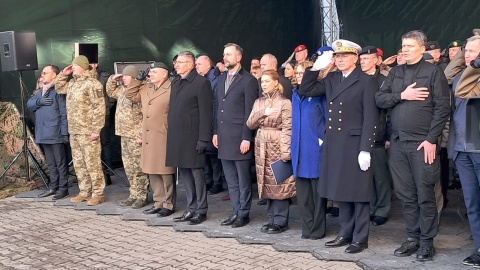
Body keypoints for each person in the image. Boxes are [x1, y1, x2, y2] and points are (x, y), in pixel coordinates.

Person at [298, 39, 379, 254]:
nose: (339, 59)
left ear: (355, 58)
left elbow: (371, 117)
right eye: (337, 56)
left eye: (344, 56)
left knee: (359, 192)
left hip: (355, 143)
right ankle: (345, 232)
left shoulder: (366, 80)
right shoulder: (332, 78)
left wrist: (366, 148)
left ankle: (360, 238)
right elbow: (305, 90)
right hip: (335, 143)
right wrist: (315, 68)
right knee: (341, 190)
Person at [375, 30, 450, 261]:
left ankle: (427, 242)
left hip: (422, 144)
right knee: (406, 195)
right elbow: (380, 99)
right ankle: (412, 238)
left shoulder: (433, 72)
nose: (404, 49)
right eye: (403, 45)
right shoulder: (396, 72)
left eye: (409, 46)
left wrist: (431, 140)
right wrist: (402, 95)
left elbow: (442, 109)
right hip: (398, 144)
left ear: (422, 48)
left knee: (424, 194)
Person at [214, 43, 259, 228]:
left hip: (240, 138)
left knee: (243, 180)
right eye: (224, 54)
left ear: (239, 57)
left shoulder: (248, 80)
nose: (225, 58)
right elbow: (216, 107)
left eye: (229, 55)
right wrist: (215, 132)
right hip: (223, 137)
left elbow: (250, 111)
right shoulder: (221, 78)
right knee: (230, 180)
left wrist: (246, 137)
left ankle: (244, 213)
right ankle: (234, 211)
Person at [167, 51, 213, 225]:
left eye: (180, 62)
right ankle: (191, 208)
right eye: (176, 62)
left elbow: (206, 114)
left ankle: (201, 209)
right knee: (185, 174)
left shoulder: (201, 83)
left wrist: (203, 139)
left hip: (193, 138)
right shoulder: (176, 82)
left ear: (190, 64)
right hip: (178, 137)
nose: (176, 65)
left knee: (197, 175)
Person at [247, 70, 294, 234]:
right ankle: (272, 218)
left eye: (267, 81)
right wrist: (263, 113)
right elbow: (250, 123)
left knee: (279, 182)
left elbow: (288, 128)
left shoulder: (285, 102)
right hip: (262, 144)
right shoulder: (259, 101)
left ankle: (281, 220)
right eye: (262, 82)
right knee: (266, 183)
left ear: (276, 82)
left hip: (277, 141)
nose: (264, 84)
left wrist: (285, 151)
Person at [125, 62, 176, 216]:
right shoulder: (146, 87)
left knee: (165, 171)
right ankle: (158, 202)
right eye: (150, 72)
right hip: (148, 135)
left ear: (164, 74)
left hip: (163, 134)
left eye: (154, 72)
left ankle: (168, 204)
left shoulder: (171, 88)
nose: (150, 74)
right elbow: (130, 94)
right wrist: (138, 80)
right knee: (152, 171)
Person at [55, 55, 106, 206]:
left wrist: (96, 129)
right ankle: (84, 191)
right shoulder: (72, 83)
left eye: (75, 66)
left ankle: (98, 193)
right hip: (75, 131)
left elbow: (99, 107)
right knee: (79, 163)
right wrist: (63, 74)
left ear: (84, 67)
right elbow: (58, 88)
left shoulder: (93, 84)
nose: (73, 68)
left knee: (92, 163)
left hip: (88, 131)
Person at [447, 35, 480, 268]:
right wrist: (464, 56)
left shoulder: (470, 78)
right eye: (465, 51)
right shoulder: (459, 74)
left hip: (478, 147)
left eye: (472, 51)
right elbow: (446, 76)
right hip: (461, 148)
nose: (467, 55)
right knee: (472, 203)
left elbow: (464, 89)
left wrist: (475, 66)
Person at [291, 60, 329, 240]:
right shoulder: (294, 94)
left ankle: (317, 229)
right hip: (298, 151)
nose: (299, 76)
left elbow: (329, 120)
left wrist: (323, 142)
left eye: (302, 73)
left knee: (317, 195)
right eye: (297, 73)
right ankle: (307, 229)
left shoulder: (320, 95)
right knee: (303, 197)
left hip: (315, 151)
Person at [106, 65, 149, 209]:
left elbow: (146, 116)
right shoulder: (122, 90)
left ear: (134, 77)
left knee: (139, 168)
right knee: (129, 167)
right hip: (124, 134)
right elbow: (110, 91)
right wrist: (113, 79)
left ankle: (142, 196)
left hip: (136, 135)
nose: (123, 78)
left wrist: (142, 134)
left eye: (126, 76)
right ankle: (133, 193)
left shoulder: (142, 90)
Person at [359, 46, 392, 226]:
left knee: (380, 176)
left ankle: (382, 209)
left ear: (376, 61)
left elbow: (389, 111)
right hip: (361, 133)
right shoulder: (358, 79)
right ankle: (370, 207)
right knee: (365, 176)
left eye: (366, 59)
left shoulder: (384, 80)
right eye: (361, 59)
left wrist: (388, 135)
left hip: (379, 134)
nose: (362, 62)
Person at [27, 64, 69, 200]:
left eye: (45, 73)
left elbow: (64, 113)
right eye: (42, 73)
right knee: (51, 164)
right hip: (43, 133)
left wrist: (64, 133)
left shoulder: (58, 91)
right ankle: (53, 187)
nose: (42, 75)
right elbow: (29, 104)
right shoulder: (41, 92)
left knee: (60, 163)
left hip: (55, 133)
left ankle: (63, 189)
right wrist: (39, 101)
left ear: (54, 75)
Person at [195, 54, 225, 195]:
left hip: (212, 120)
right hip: (203, 120)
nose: (197, 66)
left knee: (213, 154)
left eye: (199, 64)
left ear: (208, 64)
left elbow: (216, 102)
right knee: (205, 153)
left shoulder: (215, 79)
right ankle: (209, 180)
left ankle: (217, 182)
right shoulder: (201, 79)